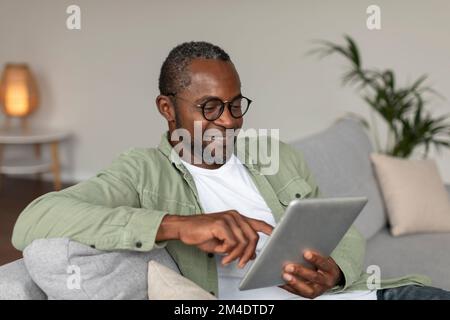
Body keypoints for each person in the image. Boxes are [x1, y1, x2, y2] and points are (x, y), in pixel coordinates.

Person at [12, 41, 450, 300]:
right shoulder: (142, 171)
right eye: (210, 107)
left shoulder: (274, 156)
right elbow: (34, 220)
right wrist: (179, 225)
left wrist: (333, 271)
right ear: (167, 109)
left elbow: (342, 230)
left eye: (235, 104)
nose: (230, 120)